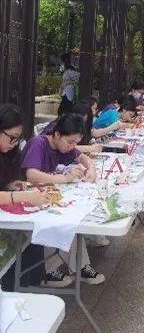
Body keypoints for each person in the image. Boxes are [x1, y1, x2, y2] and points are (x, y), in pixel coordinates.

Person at [21, 113, 104, 288]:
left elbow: (83, 158)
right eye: (70, 142)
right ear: (57, 134)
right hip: (26, 201)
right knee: (60, 220)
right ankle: (52, 271)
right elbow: (31, 174)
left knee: (69, 217)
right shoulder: (39, 143)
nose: (72, 146)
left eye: (75, 142)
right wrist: (64, 178)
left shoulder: (61, 146)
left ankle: (80, 266)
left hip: (44, 196)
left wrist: (91, 170)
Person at [0, 104, 48, 291]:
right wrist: (21, 195)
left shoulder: (8, 152)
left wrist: (9, 186)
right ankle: (12, 288)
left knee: (33, 231)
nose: (14, 143)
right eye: (11, 137)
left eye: (18, 138)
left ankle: (28, 284)